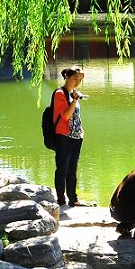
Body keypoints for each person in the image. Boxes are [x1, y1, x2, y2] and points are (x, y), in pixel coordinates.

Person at [52, 66, 85, 208]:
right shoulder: (60, 93)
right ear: (66, 77)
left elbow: (76, 117)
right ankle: (60, 200)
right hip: (64, 137)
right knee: (62, 169)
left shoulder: (73, 93)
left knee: (72, 169)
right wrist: (75, 100)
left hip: (76, 138)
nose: (77, 82)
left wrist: (82, 131)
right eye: (74, 78)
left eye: (80, 79)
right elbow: (65, 116)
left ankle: (73, 199)